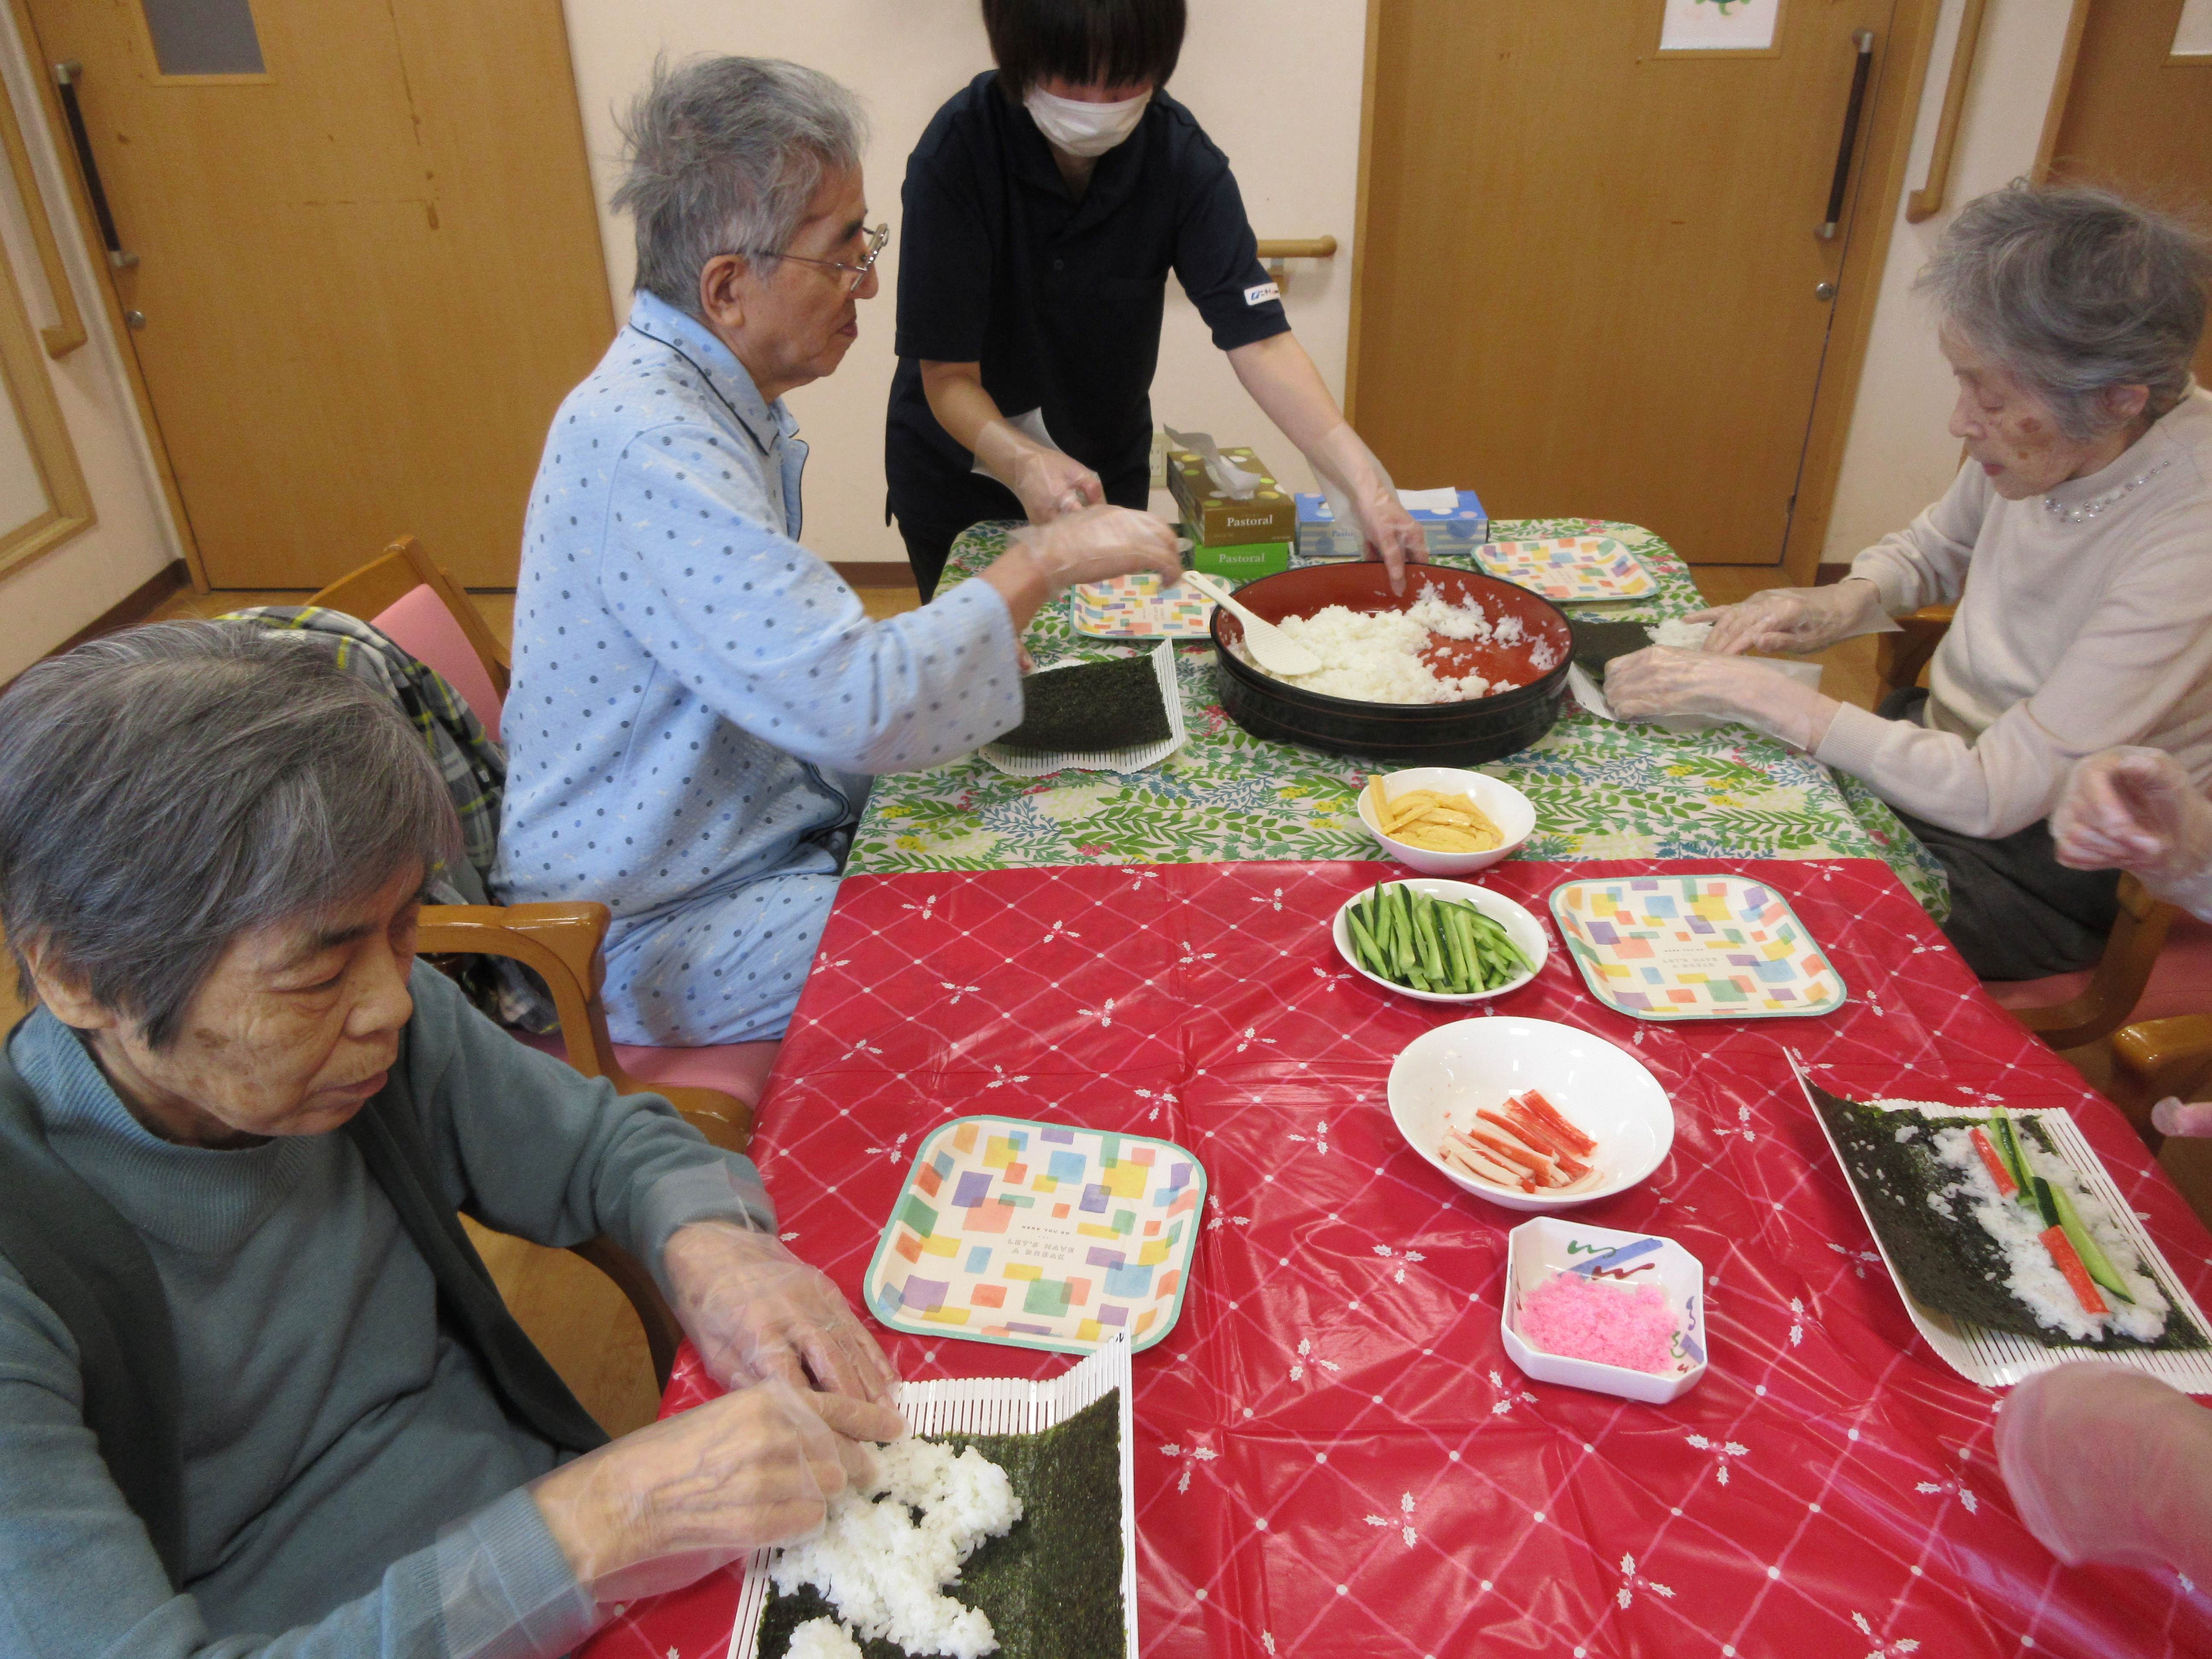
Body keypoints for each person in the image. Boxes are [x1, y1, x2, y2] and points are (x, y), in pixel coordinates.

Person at [0, 623, 907, 1658]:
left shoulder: (368, 1040)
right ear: (78, 976)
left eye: (404, 928)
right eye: (315, 975)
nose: (391, 1002)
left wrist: (717, 1250)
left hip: (549, 1556)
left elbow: (607, 1149)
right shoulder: (25, 1260)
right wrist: (599, 1524)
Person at [492, 57, 1179, 1046]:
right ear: (728, 288)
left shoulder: (689, 399)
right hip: (636, 931)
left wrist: (972, 648)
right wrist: (1047, 559)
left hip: (743, 831)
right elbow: (856, 702)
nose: (869, 281)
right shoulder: (650, 444)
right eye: (842, 253)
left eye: (867, 241)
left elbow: (806, 663)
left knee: (1034, 800)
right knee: (1022, 929)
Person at [1608, 184, 2212, 980]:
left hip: (2040, 859)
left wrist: (1763, 696)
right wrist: (1835, 603)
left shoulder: (2190, 528)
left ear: (2118, 402)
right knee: (1683, 809)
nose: (1962, 422)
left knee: (1731, 923)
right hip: (1938, 758)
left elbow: (1997, 795)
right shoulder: (2052, 441)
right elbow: (1936, 548)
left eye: (1989, 395)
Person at [884, 0, 1424, 600]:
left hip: (1103, 473)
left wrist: (1362, 481)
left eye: (1122, 81)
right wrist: (1023, 462)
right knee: (983, 648)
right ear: (1021, 61)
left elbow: (1263, 343)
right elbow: (947, 377)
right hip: (963, 476)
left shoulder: (1178, 156)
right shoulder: (958, 152)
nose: (1097, 105)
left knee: (1102, 648)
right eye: (1073, 80)